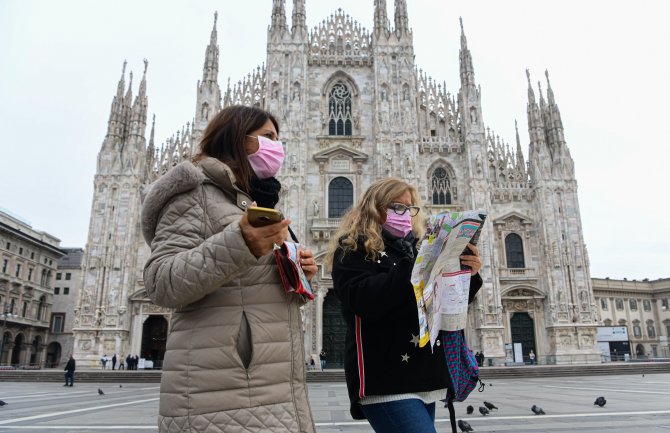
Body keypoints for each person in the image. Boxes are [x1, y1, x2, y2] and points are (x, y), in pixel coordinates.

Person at [141, 105, 317, 433]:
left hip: (273, 387)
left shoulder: (257, 202)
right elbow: (160, 281)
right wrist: (242, 244)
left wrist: (297, 275)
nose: (276, 147)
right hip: (220, 392)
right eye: (268, 138)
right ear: (239, 139)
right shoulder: (195, 195)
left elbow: (248, 289)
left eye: (278, 140)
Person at [327, 177, 483, 433]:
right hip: (385, 378)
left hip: (422, 374)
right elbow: (365, 301)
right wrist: (420, 263)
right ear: (375, 209)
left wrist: (468, 274)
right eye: (397, 207)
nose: (405, 214)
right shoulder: (351, 249)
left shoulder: (412, 247)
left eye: (409, 208)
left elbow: (441, 303)